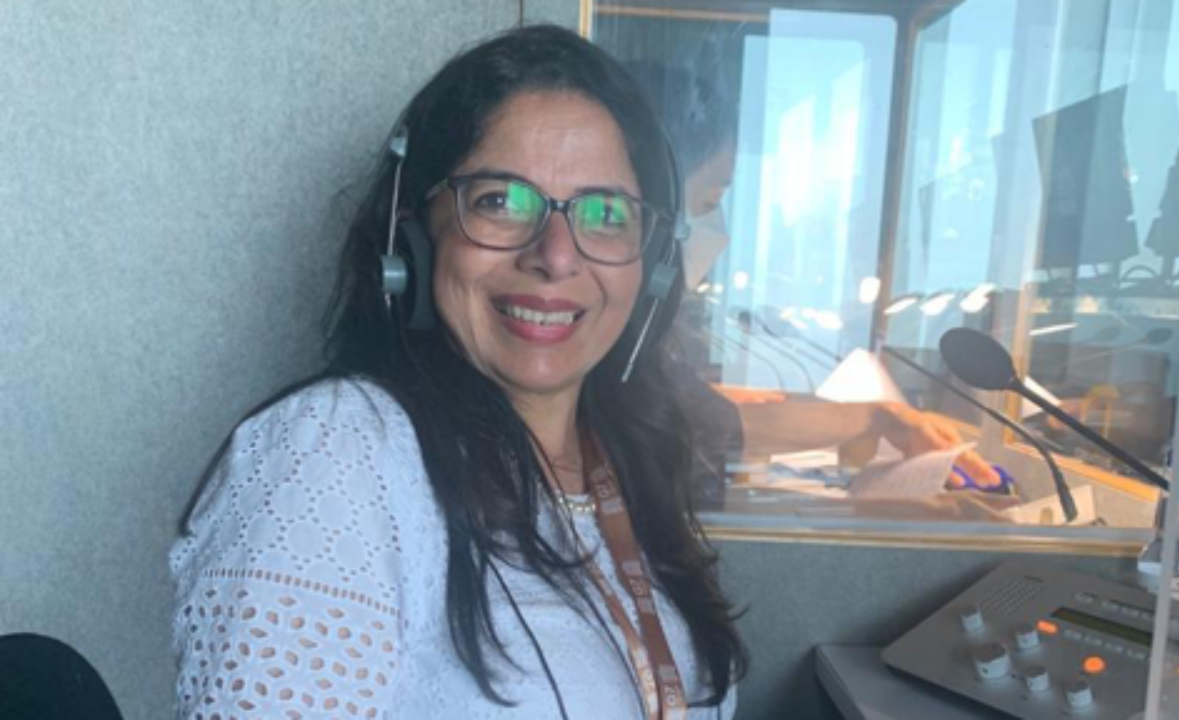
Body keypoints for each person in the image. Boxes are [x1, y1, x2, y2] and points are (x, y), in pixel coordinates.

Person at [171, 26, 745, 719]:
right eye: (500, 200)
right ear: (412, 233)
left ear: (650, 267)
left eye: (604, 212)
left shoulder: (623, 455)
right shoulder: (339, 454)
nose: (557, 256)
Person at [623, 61, 1003, 509]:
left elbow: (686, 402)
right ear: (654, 194)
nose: (717, 227)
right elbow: (709, 423)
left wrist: (724, 396)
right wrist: (878, 416)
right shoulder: (615, 329)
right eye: (709, 201)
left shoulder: (637, 324)